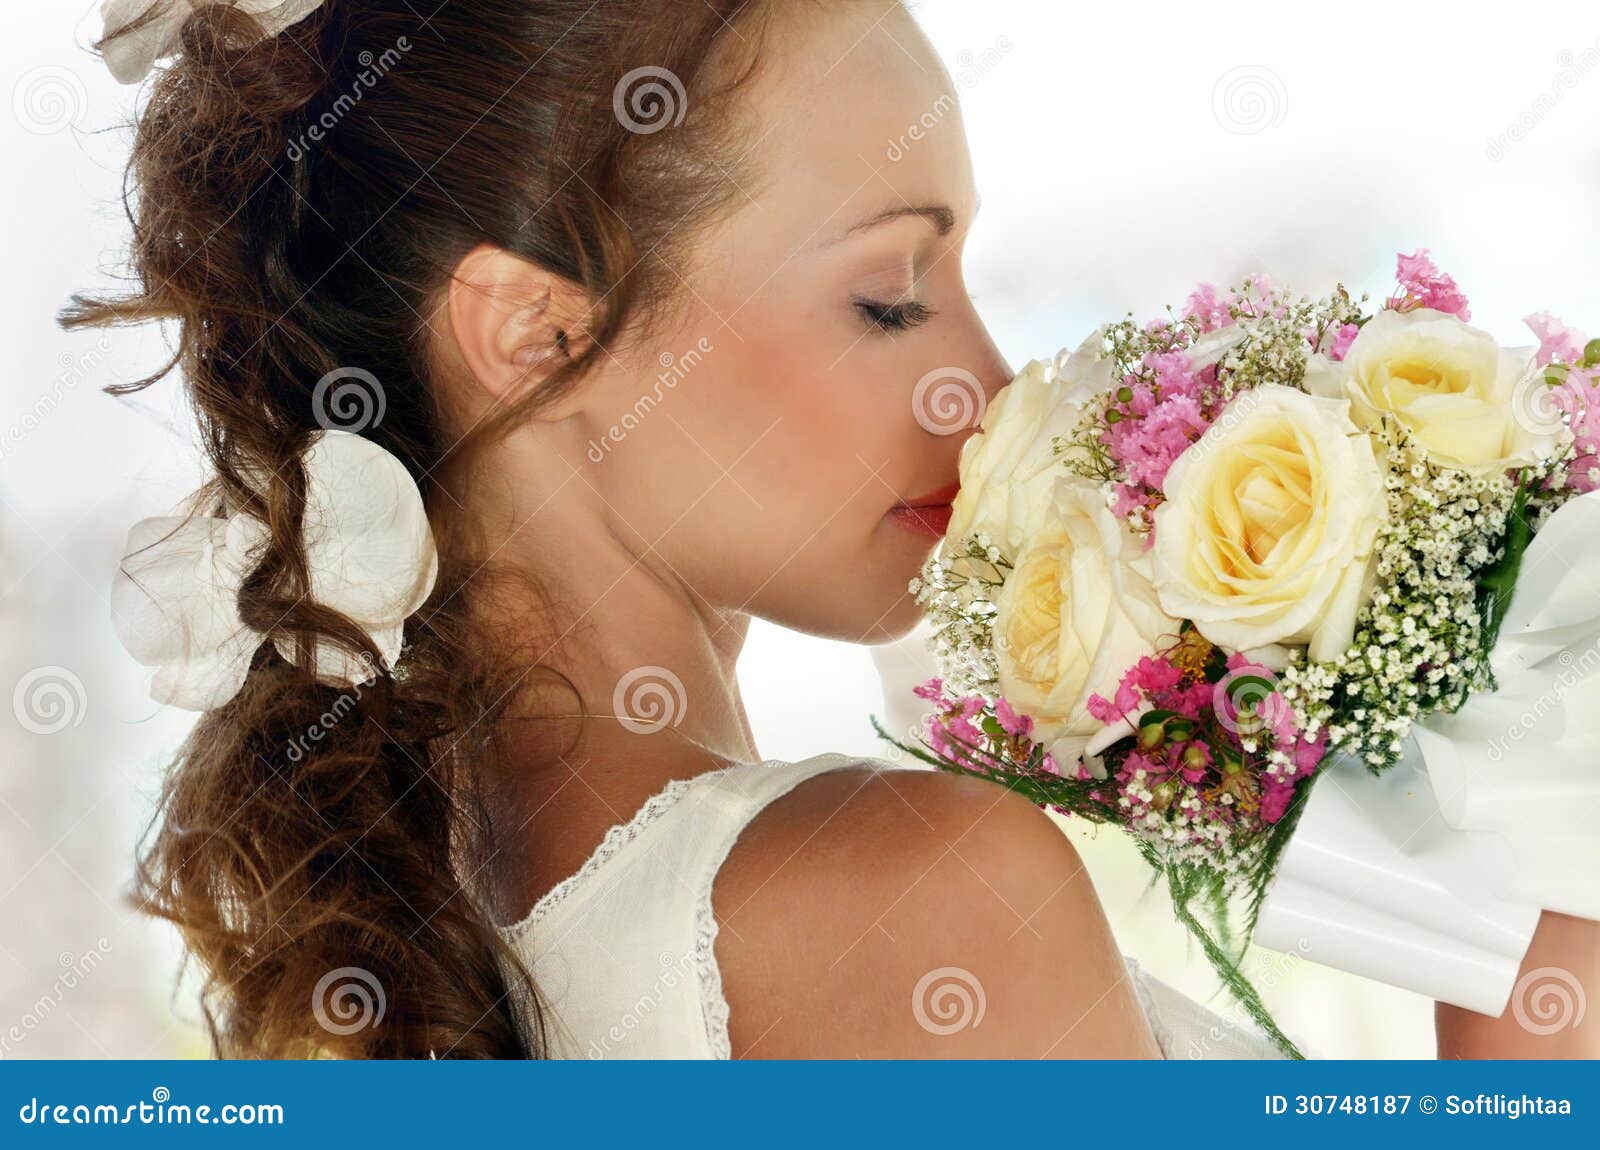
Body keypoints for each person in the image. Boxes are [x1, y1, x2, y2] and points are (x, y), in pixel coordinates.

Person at [74, 0, 1594, 1059]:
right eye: (890, 296)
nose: (988, 391)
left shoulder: (474, 910)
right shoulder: (912, 895)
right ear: (530, 330)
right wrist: (1538, 927)